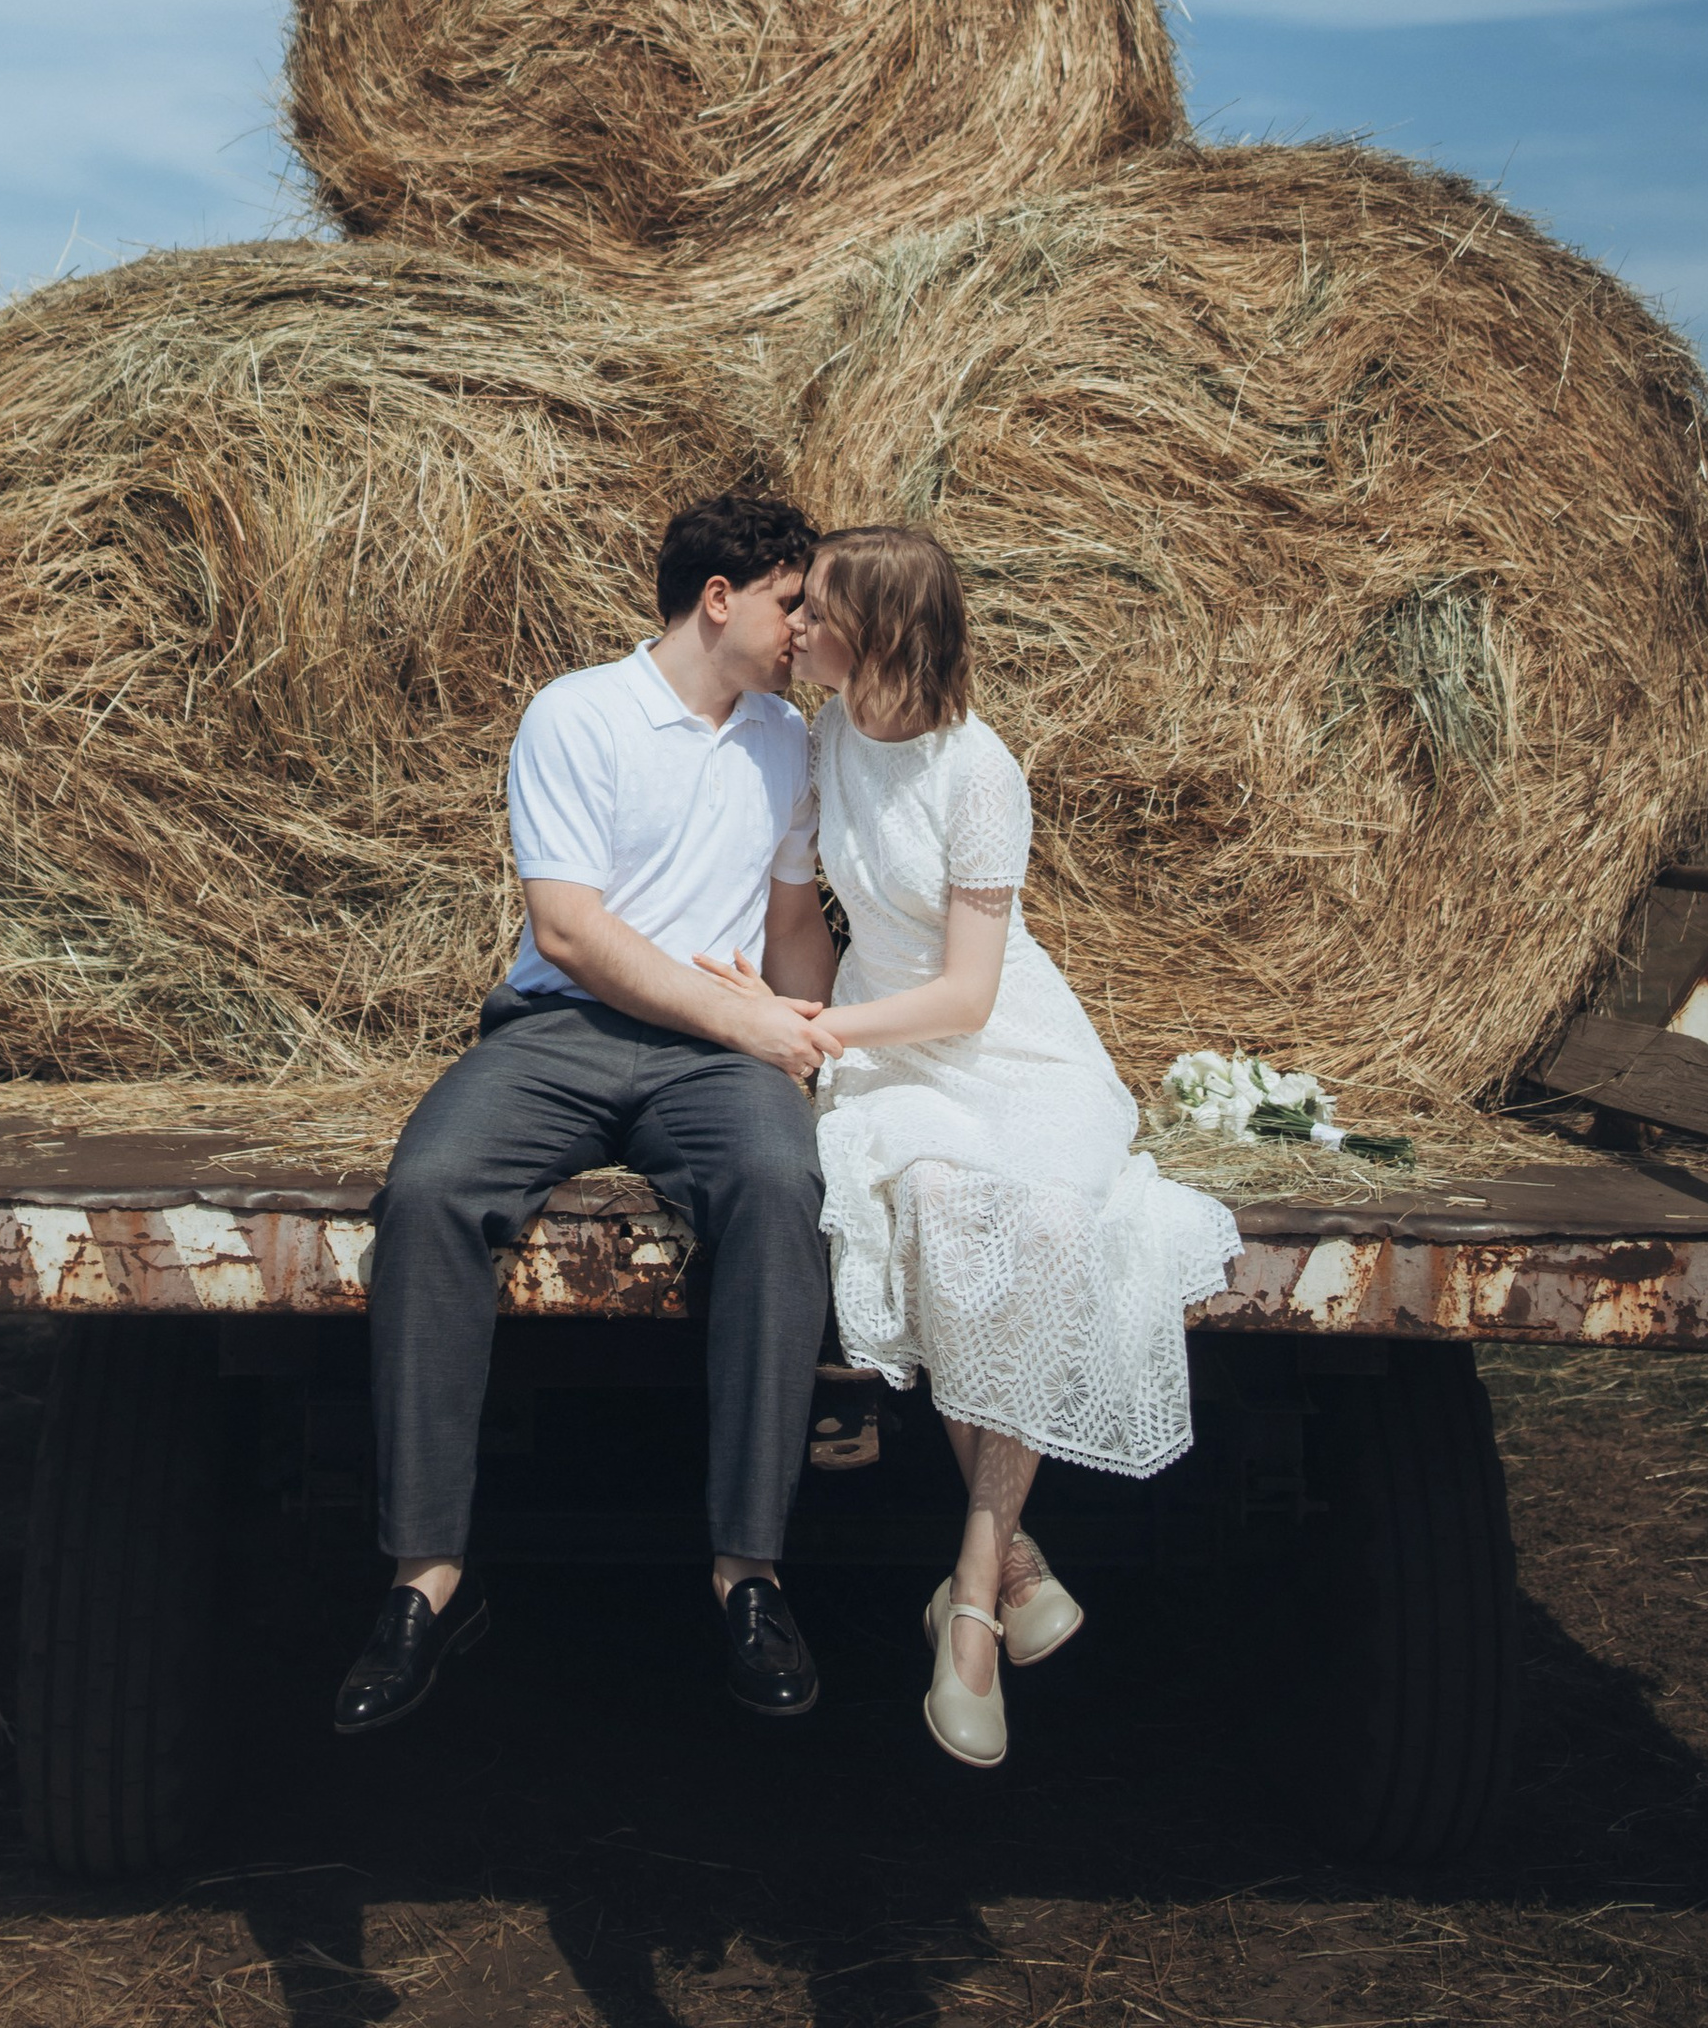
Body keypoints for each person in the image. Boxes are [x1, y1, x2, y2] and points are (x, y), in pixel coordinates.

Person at [701, 520, 1240, 1771]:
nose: (797, 624)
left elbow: (971, 997)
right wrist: (771, 996)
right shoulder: (829, 731)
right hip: (885, 1051)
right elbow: (804, 905)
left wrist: (820, 1026)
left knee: (1050, 1222)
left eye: (817, 607)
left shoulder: (980, 770)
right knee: (940, 1201)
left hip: (988, 1042)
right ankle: (1012, 1565)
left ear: (874, 631)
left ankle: (970, 1595)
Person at [333, 488, 838, 1740]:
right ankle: (427, 1580)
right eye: (791, 600)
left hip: (712, 1058)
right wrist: (750, 1023)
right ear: (718, 598)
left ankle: (749, 1573)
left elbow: (786, 925)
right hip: (563, 1029)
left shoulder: (787, 739)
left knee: (781, 1187)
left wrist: (809, 1031)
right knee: (433, 1187)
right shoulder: (578, 713)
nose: (806, 626)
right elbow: (571, 928)